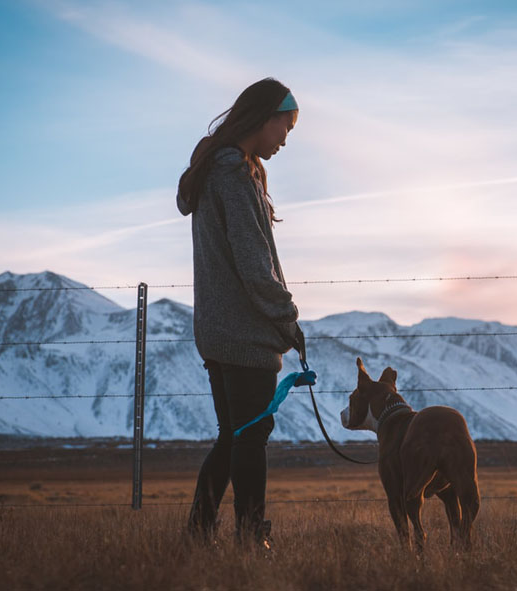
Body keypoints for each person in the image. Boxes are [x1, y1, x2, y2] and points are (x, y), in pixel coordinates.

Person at [176, 78, 305, 549]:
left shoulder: (216, 170)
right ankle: (251, 539)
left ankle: (198, 531)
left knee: (233, 436)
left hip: (216, 330)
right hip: (245, 333)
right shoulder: (234, 175)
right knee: (250, 438)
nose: (285, 140)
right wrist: (288, 319)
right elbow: (255, 267)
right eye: (285, 127)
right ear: (265, 117)